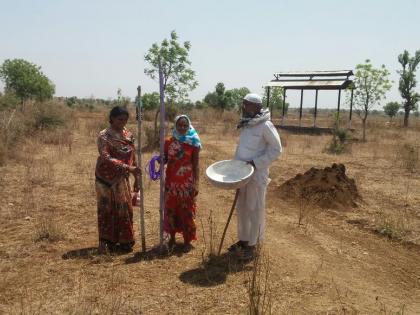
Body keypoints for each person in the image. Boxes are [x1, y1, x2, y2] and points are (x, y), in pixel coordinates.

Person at [229, 93, 282, 260]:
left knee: (255, 208)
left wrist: (256, 163)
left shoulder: (266, 125)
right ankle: (243, 240)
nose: (244, 108)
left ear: (257, 107)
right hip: (242, 174)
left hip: (257, 174)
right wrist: (235, 168)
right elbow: (242, 150)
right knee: (242, 208)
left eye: (248, 105)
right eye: (243, 104)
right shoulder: (247, 124)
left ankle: (253, 245)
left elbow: (276, 149)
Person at [95, 106, 141, 253]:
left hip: (122, 178)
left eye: (125, 120)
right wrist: (129, 168)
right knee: (106, 208)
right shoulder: (104, 136)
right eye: (120, 119)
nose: (123, 122)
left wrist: (136, 177)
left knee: (124, 208)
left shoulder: (128, 134)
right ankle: (108, 241)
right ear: (112, 118)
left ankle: (125, 240)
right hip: (105, 178)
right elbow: (106, 157)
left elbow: (132, 156)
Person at [163, 115, 201, 252]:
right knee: (171, 210)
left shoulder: (194, 143)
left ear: (189, 126)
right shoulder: (168, 141)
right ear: (175, 126)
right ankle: (172, 239)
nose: (183, 128)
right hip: (171, 182)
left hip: (186, 183)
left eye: (185, 125)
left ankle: (187, 240)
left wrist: (196, 184)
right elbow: (165, 158)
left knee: (187, 212)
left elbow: (196, 165)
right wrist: (161, 160)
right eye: (180, 125)